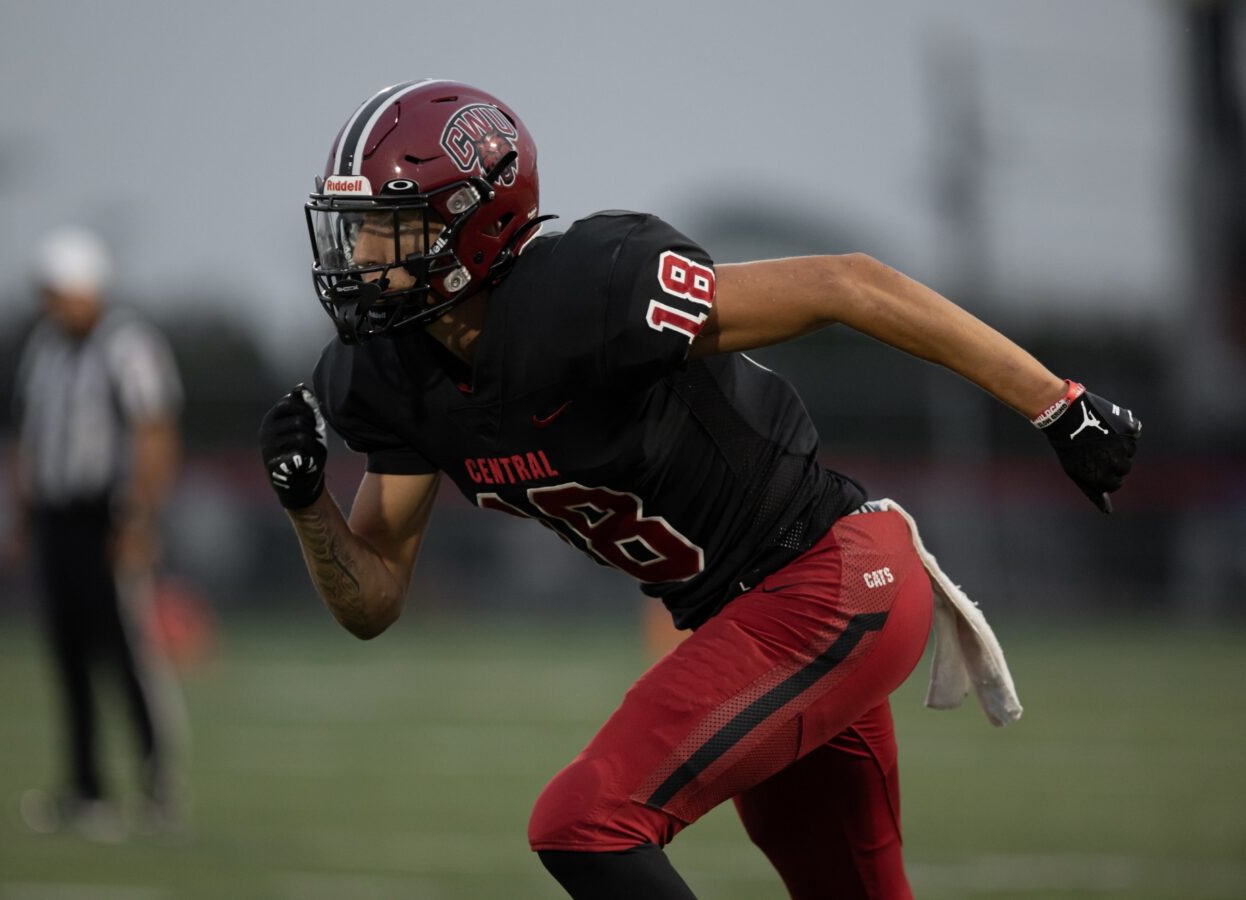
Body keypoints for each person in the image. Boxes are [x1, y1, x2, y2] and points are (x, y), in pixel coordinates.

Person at [258, 80, 1140, 898]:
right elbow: (371, 600)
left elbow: (848, 285)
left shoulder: (586, 293)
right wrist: (309, 506)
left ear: (471, 225)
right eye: (352, 225)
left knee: (584, 823)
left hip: (829, 581)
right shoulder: (387, 377)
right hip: (749, 621)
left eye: (386, 226)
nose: (357, 252)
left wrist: (1058, 408)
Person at [11, 227, 186, 839]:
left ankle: (157, 784)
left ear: (87, 290)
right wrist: (22, 521)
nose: (51, 305)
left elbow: (155, 432)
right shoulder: (44, 348)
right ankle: (85, 788)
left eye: (60, 293)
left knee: (127, 652)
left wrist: (139, 519)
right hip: (57, 519)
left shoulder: (127, 345)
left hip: (106, 519)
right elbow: (29, 441)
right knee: (68, 656)